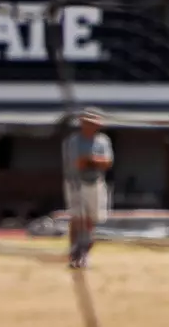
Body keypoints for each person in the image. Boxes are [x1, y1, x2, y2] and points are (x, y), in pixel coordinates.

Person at [62, 109, 113, 270]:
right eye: (89, 122)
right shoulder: (73, 141)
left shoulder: (103, 141)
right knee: (77, 218)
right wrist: (96, 160)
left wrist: (91, 160)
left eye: (95, 123)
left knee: (92, 219)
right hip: (76, 183)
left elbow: (108, 163)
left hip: (96, 183)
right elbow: (78, 163)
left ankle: (84, 253)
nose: (92, 126)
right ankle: (74, 252)